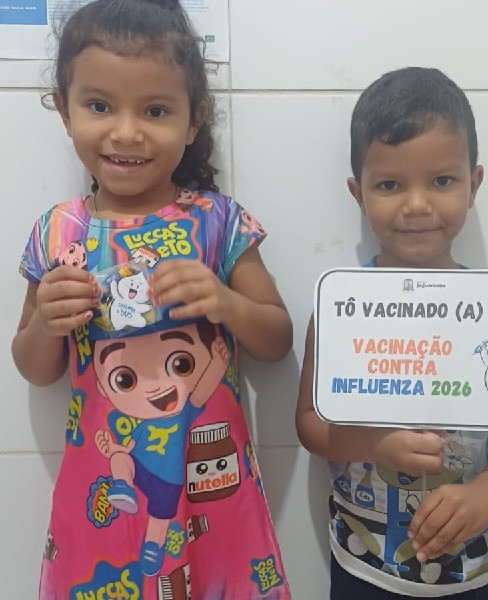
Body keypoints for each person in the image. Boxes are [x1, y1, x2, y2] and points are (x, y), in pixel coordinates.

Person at [11, 0, 293, 598]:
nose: (126, 131)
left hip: (210, 494)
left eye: (156, 110)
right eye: (99, 106)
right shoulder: (57, 233)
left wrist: (226, 303)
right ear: (64, 110)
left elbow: (276, 339)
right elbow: (34, 368)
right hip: (104, 494)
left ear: (194, 121)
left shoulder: (218, 222)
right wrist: (45, 325)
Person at [296, 67, 488, 599]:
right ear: (358, 193)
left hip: (479, 563)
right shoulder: (341, 308)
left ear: (474, 184)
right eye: (389, 184)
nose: (416, 204)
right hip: (367, 562)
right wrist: (375, 443)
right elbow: (310, 424)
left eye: (442, 181)